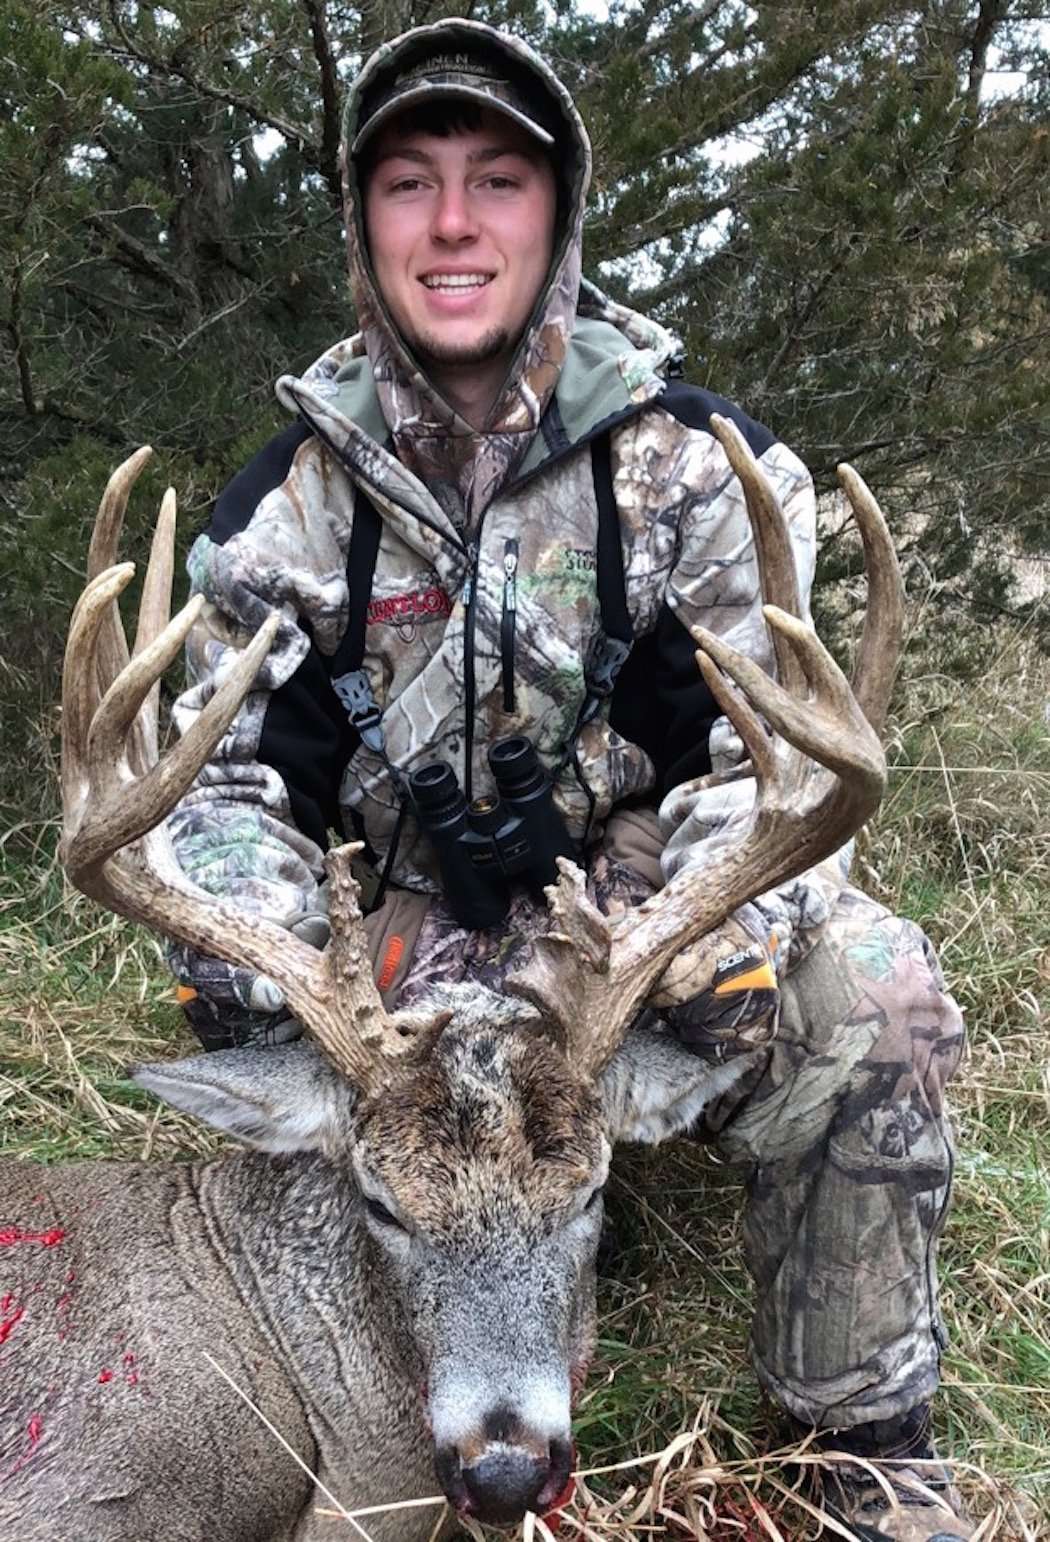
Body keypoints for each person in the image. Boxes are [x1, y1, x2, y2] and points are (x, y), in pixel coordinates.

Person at [166, 19, 971, 1539]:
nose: (453, 224)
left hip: (637, 927)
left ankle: (862, 1442)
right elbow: (212, 794)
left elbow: (777, 766)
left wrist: (701, 940)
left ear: (559, 212)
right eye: (408, 183)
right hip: (397, 943)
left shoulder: (707, 472)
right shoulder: (283, 510)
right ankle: (399, 1353)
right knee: (294, 1032)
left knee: (874, 994)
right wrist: (268, 957)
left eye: (498, 180)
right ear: (366, 225)